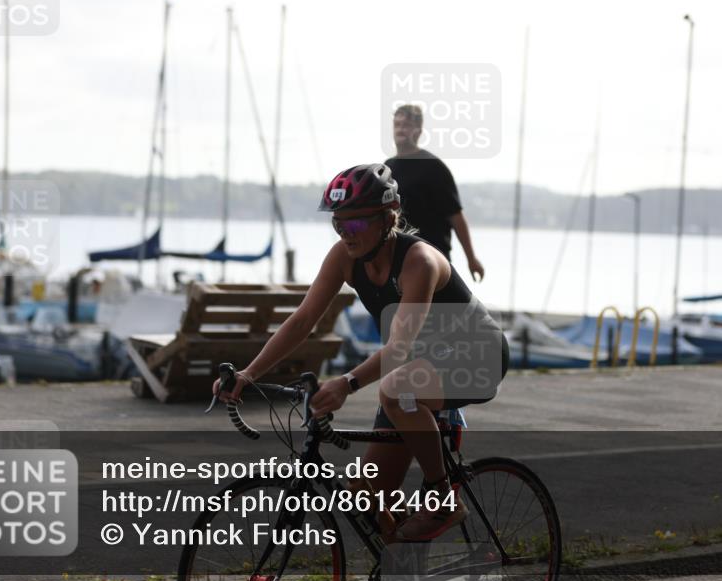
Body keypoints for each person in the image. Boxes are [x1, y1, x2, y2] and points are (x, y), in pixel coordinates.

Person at [215, 163, 509, 541]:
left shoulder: (419, 262)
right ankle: (406, 558)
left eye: (355, 223)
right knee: (366, 497)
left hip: (480, 357)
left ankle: (443, 498)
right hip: (419, 369)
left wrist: (347, 383)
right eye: (338, 223)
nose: (346, 233)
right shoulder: (344, 257)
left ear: (389, 217)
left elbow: (399, 348)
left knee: (395, 388)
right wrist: (249, 374)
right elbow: (302, 321)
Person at [385, 104, 486, 281]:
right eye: (397, 124)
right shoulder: (387, 168)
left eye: (406, 125)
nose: (400, 129)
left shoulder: (433, 167)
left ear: (418, 130)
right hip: (397, 257)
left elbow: (456, 216)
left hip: (432, 258)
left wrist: (471, 259)